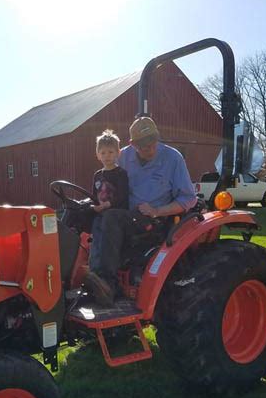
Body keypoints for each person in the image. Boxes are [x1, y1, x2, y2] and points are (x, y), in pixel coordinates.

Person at [84, 117, 197, 306]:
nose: (149, 149)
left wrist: (157, 210)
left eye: (152, 143)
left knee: (111, 218)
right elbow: (108, 182)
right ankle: (72, 278)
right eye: (143, 146)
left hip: (154, 221)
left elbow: (188, 198)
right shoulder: (122, 156)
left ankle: (107, 284)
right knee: (83, 213)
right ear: (132, 144)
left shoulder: (173, 158)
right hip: (126, 216)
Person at [89, 129, 129, 273]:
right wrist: (92, 205)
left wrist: (107, 204)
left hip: (116, 214)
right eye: (103, 153)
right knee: (95, 241)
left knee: (105, 239)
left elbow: (122, 196)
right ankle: (93, 269)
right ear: (98, 154)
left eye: (111, 152)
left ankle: (106, 271)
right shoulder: (97, 175)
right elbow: (94, 195)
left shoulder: (120, 174)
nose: (107, 156)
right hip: (100, 214)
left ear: (118, 153)